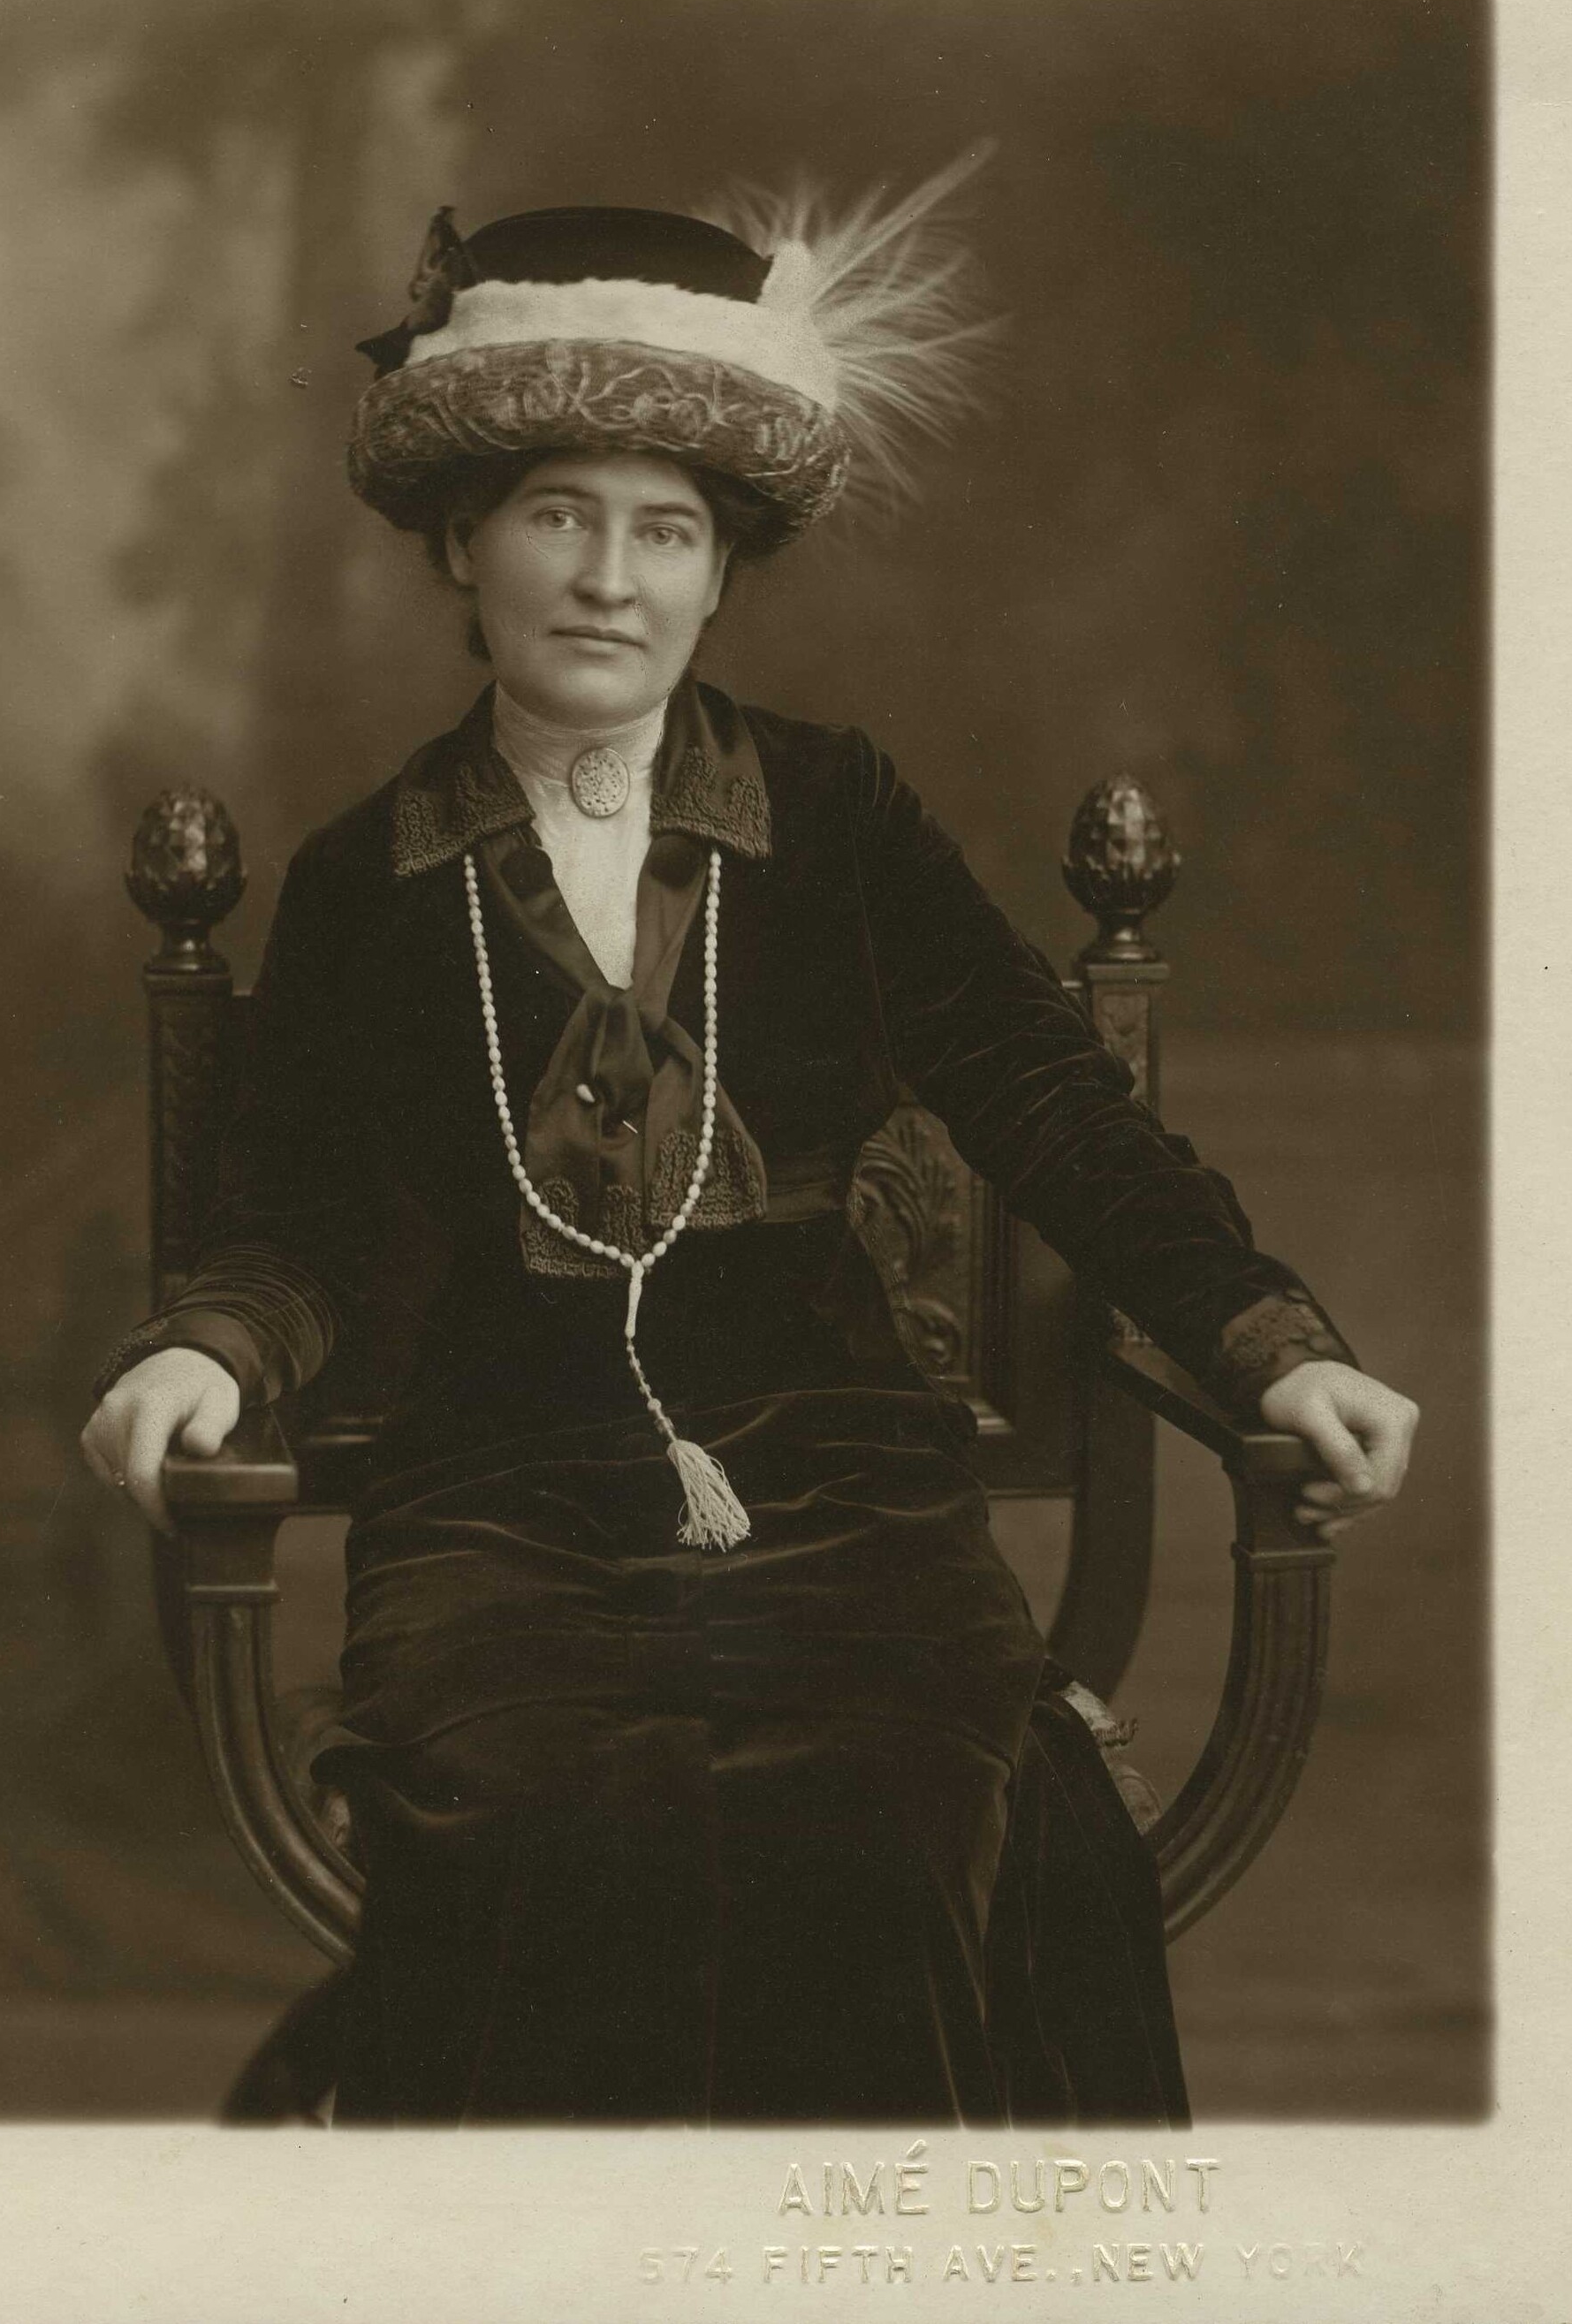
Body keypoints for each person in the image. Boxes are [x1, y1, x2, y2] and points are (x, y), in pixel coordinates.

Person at [80, 178, 1418, 2125]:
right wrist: (211, 1342)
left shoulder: (838, 812)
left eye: (666, 531)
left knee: (899, 1820)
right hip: (503, 1488)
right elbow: (300, 1204)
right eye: (559, 514)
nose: (609, 578)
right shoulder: (368, 879)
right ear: (464, 541)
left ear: (723, 575)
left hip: (839, 1468)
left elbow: (1053, 1102)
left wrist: (1267, 1339)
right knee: (543, 1816)